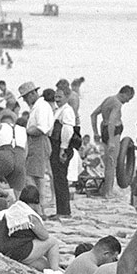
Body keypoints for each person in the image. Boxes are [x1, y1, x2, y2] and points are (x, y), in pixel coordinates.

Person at [0, 185, 61, 270]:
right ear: (36, 201)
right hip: (20, 251)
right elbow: (44, 236)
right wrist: (39, 212)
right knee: (53, 241)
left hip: (6, 249)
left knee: (46, 263)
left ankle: (57, 270)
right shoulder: (30, 215)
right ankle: (56, 272)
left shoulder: (13, 209)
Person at [89, 85, 135, 197]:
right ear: (125, 94)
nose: (128, 101)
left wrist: (95, 132)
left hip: (103, 129)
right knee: (111, 164)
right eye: (129, 98)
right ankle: (108, 192)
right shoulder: (117, 104)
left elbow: (93, 114)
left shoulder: (108, 99)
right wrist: (111, 141)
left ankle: (106, 189)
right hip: (113, 133)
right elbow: (111, 122)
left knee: (108, 162)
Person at [18, 81, 54, 216]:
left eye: (26, 97)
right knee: (34, 174)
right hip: (36, 142)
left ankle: (39, 208)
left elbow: (41, 128)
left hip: (38, 141)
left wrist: (27, 131)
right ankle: (38, 207)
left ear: (33, 93)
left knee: (34, 176)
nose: (26, 100)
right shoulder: (38, 107)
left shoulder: (42, 107)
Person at [48, 81, 78, 219]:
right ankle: (62, 209)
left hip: (62, 146)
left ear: (66, 97)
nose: (57, 99)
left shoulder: (67, 111)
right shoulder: (59, 110)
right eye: (56, 96)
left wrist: (63, 149)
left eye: (60, 96)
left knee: (60, 179)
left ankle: (64, 211)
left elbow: (67, 130)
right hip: (57, 145)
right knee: (58, 178)